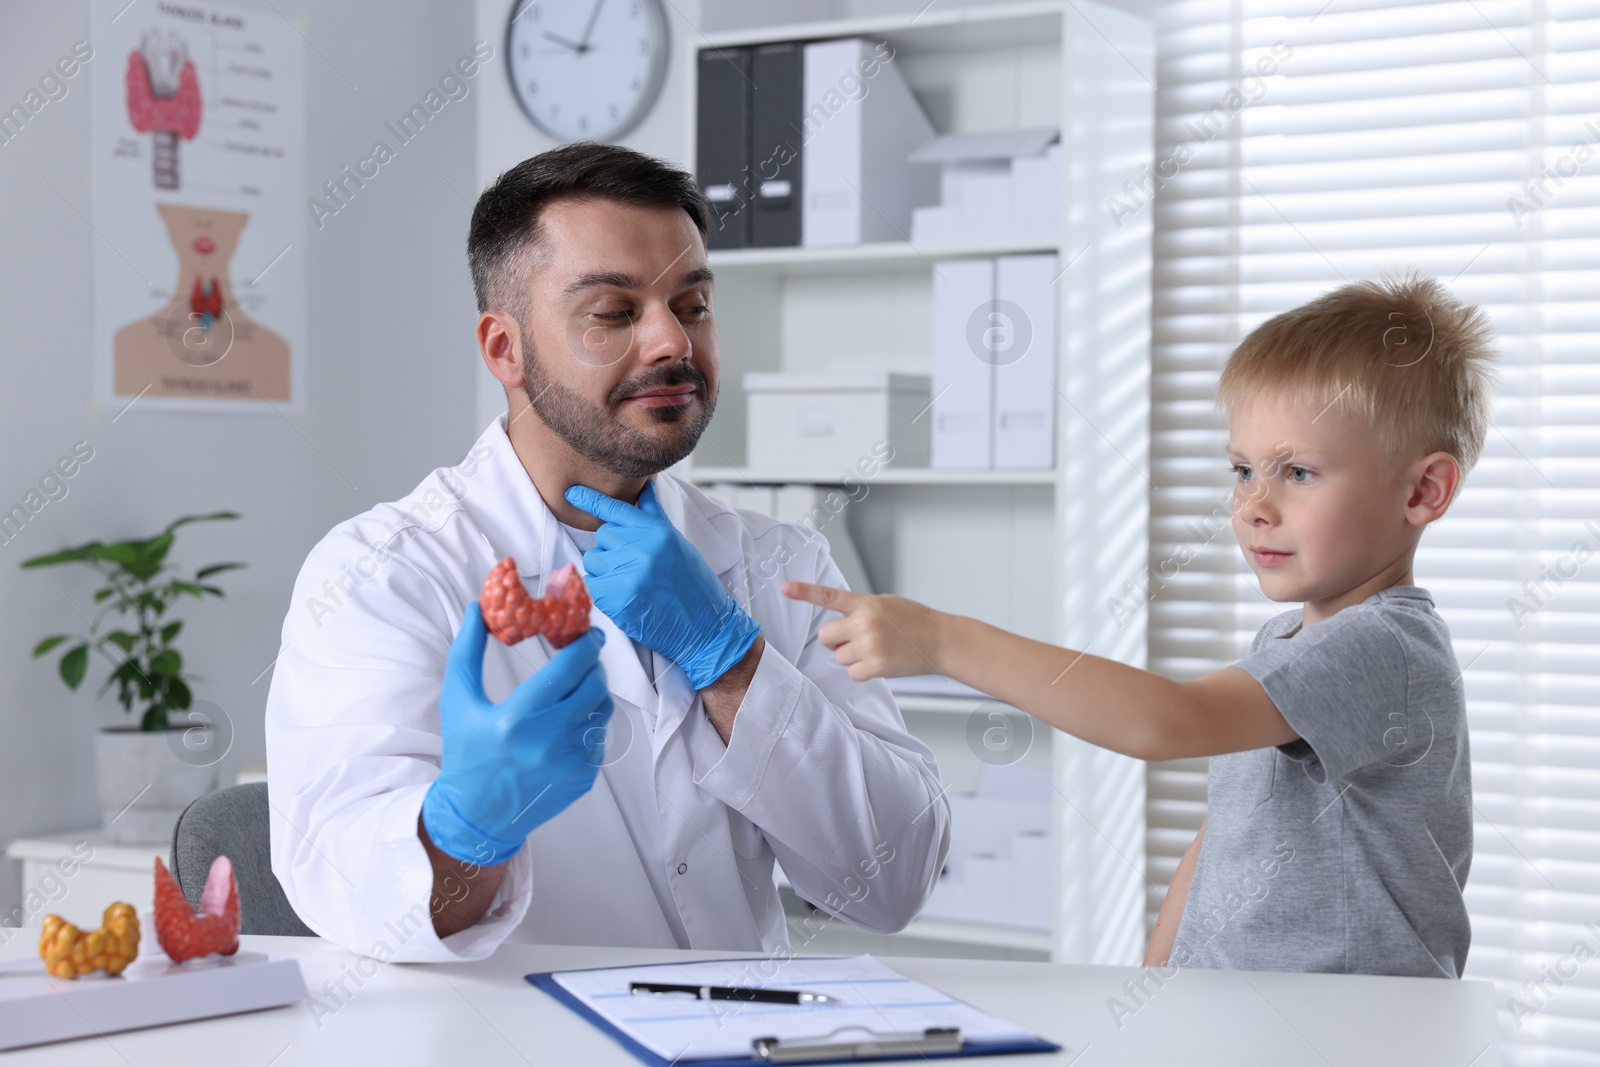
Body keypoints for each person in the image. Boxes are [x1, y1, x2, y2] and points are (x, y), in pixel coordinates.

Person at [265, 143, 950, 962]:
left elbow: (897, 879)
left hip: (743, 1041)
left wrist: (731, 662)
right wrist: (468, 826)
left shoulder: (777, 561)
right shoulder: (383, 573)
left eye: (692, 305)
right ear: (503, 349)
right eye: (614, 313)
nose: (671, 343)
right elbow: (353, 893)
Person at [786, 273, 1497, 978]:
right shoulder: (1284, 644)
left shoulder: (1387, 650)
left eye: (1299, 473)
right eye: (1243, 469)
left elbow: (1167, 722)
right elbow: (1227, 832)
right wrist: (1158, 974)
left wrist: (942, 640)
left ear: (1422, 491)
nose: (1253, 505)